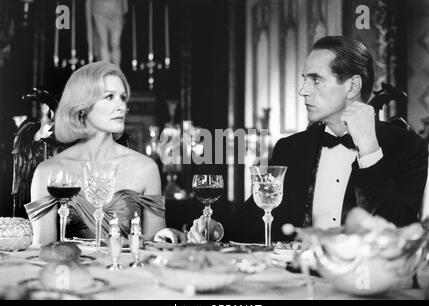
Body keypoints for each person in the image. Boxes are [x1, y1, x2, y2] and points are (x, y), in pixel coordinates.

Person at [188, 35, 429, 243]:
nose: (303, 90)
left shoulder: (407, 147)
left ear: (352, 86)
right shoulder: (291, 148)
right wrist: (216, 230)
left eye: (315, 80)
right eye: (304, 79)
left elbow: (398, 234)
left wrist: (369, 151)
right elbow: (253, 219)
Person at [25, 61, 167, 246]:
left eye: (122, 98)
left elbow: (155, 246)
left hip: (128, 272)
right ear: (82, 106)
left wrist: (167, 235)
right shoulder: (48, 171)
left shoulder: (146, 168)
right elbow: (43, 251)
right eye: (109, 97)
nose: (121, 107)